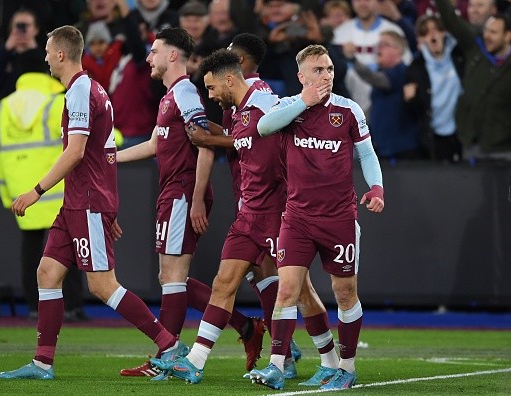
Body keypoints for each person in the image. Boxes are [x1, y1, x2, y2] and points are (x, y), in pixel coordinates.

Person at [0, 25, 184, 380]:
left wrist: (35, 191)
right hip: (78, 203)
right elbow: (106, 152)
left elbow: (77, 151)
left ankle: (171, 346)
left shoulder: (81, 90)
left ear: (62, 54)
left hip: (86, 202)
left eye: (49, 52)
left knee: (102, 285)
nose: (46, 58)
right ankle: (42, 363)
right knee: (47, 273)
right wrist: (107, 203)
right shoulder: (90, 89)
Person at [184, 33, 342, 383]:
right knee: (224, 282)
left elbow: (299, 137)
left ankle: (327, 359)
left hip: (277, 214)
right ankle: (193, 362)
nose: (210, 96)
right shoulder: (239, 113)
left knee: (300, 291)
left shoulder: (268, 105)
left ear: (229, 78)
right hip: (248, 214)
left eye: (211, 88)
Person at [117, 27, 262, 379]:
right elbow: (154, 145)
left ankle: (165, 357)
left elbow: (206, 143)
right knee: (171, 277)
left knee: (173, 278)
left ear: (172, 55)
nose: (148, 57)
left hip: (182, 192)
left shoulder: (184, 93)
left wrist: (196, 199)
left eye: (154, 51)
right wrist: (110, 157)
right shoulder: (170, 96)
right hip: (174, 192)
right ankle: (244, 327)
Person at [249, 44, 384, 391]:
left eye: (329, 69)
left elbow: (367, 154)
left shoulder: (348, 110)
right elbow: (263, 127)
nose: (325, 76)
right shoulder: (289, 108)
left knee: (344, 292)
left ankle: (347, 368)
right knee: (287, 290)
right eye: (318, 70)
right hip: (296, 218)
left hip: (339, 218)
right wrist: (303, 102)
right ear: (301, 76)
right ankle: (276, 365)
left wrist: (377, 188)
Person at [0, 59, 88, 322]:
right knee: (66, 246)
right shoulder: (56, 103)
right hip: (53, 188)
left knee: (31, 248)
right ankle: (72, 306)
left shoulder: (2, 108)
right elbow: (82, 138)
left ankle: (34, 306)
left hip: (22, 191)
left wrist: (6, 195)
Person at [435, 0, 511, 160]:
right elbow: (451, 20)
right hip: (472, 144)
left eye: (494, 32)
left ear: (507, 36)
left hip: (504, 147)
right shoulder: (476, 47)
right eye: (487, 31)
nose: (487, 36)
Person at [343, 30, 422, 159]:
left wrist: (353, 59)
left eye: (385, 44)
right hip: (383, 148)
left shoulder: (402, 72)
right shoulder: (383, 72)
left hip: (402, 150)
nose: (379, 47)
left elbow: (374, 78)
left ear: (398, 50)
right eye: (378, 44)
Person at [404, 15, 464, 162]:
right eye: (425, 32)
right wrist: (409, 100)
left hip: (462, 133)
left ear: (444, 33)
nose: (432, 35)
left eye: (436, 29)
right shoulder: (415, 68)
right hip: (433, 136)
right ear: (420, 40)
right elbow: (414, 112)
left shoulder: (460, 57)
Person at [0, 8, 47, 101]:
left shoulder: (45, 54)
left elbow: (47, 75)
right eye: (18, 26)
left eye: (26, 26)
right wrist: (6, 49)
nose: (22, 30)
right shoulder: (5, 55)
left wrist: (33, 50)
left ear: (36, 30)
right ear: (11, 29)